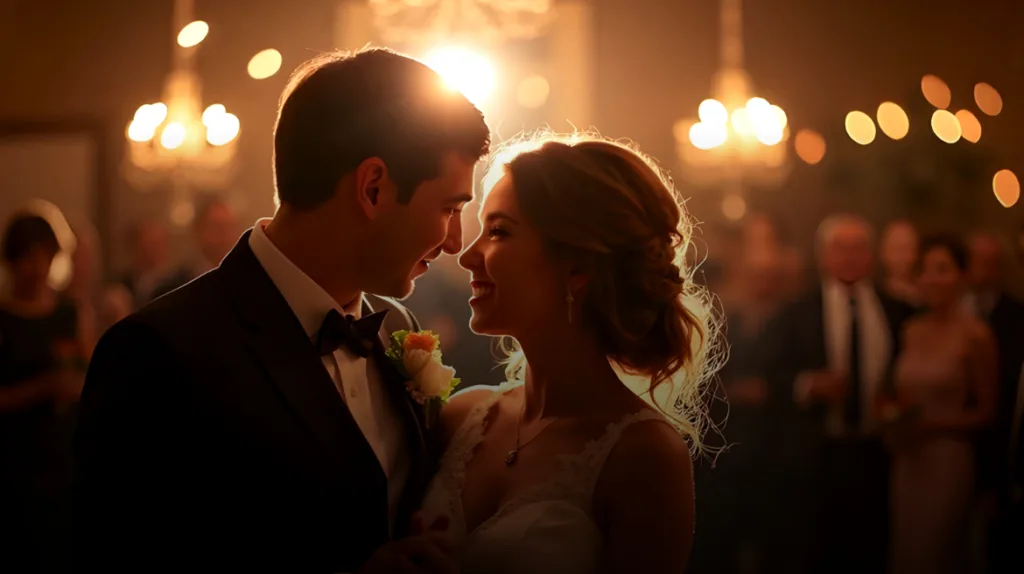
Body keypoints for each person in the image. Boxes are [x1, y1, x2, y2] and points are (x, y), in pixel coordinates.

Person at [73, 47, 490, 572]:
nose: (455, 242)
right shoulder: (157, 352)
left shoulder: (396, 330)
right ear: (373, 188)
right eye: (449, 208)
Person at [417, 134, 722, 574]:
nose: (467, 256)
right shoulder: (460, 418)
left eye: (499, 231)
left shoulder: (644, 455)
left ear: (577, 267)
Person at [760, 214, 915, 574]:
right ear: (823, 256)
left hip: (878, 454)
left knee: (873, 552)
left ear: (872, 254)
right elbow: (770, 375)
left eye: (858, 247)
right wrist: (807, 385)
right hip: (817, 455)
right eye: (839, 248)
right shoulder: (796, 313)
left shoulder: (897, 311)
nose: (849, 256)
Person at [887, 233, 997, 574]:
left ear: (962, 276)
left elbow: (988, 411)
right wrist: (893, 417)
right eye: (924, 270)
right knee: (905, 551)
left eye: (942, 269)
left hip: (948, 461)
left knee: (934, 555)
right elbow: (897, 392)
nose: (931, 278)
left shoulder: (975, 334)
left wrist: (932, 425)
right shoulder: (910, 329)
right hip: (908, 461)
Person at [0, 206, 87, 573]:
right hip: (13, 459)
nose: (37, 268)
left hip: (61, 456)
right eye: (29, 258)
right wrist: (41, 388)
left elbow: (84, 373)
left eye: (45, 257)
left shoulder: (68, 314)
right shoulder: (4, 318)